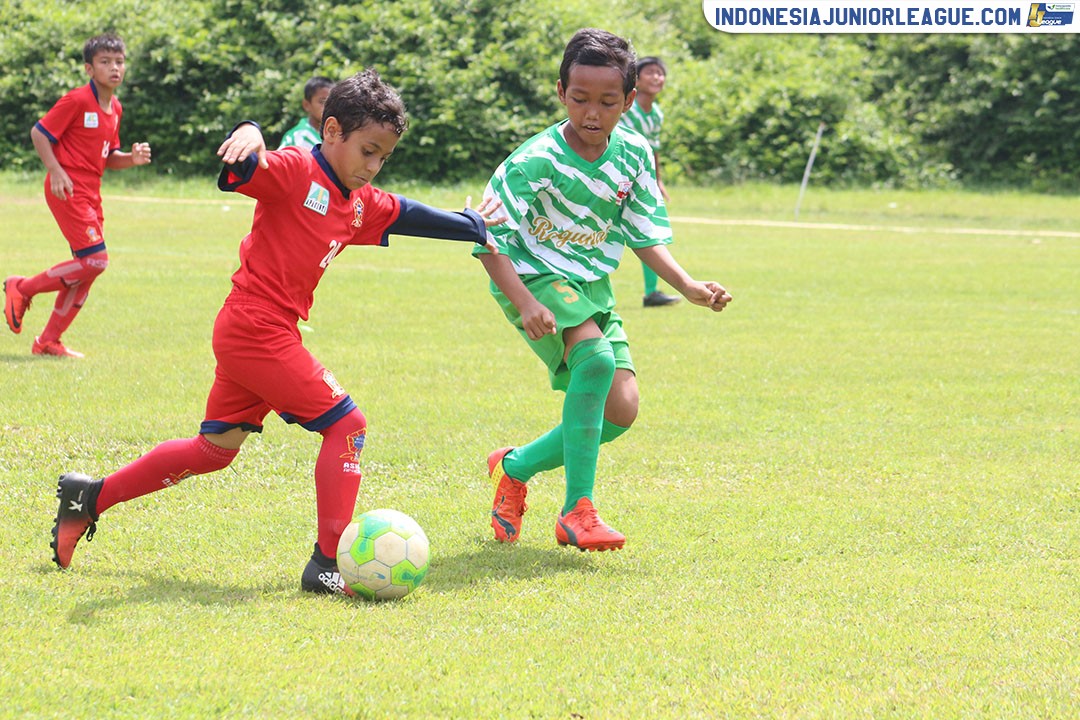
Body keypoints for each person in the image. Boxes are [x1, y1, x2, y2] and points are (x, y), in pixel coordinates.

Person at [49, 69, 503, 596]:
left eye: (384, 156)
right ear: (331, 130)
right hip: (254, 327)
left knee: (212, 451)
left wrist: (470, 224)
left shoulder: (356, 200)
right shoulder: (294, 171)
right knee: (347, 424)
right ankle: (326, 564)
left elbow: (404, 213)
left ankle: (89, 496)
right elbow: (244, 167)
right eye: (367, 151)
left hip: (261, 329)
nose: (374, 166)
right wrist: (249, 128)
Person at [474, 29, 732, 552]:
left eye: (608, 101)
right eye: (580, 99)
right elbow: (487, 240)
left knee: (621, 411)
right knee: (594, 360)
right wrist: (525, 302)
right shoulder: (534, 161)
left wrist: (686, 285)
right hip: (530, 274)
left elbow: (642, 233)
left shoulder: (633, 154)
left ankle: (515, 466)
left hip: (590, 283)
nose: (592, 113)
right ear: (560, 93)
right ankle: (577, 510)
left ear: (629, 101)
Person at [4, 33, 152, 358]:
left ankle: (47, 342)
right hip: (67, 188)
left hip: (91, 193)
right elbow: (39, 133)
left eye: (119, 61)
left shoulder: (115, 107)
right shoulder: (76, 101)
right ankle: (22, 287)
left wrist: (132, 158)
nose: (114, 68)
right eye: (105, 62)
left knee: (86, 268)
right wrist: (55, 170)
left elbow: (109, 156)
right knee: (95, 261)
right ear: (89, 68)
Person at [617, 55, 680, 308]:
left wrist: (657, 181)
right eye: (650, 72)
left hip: (640, 180)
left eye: (660, 72)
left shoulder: (656, 115)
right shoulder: (624, 107)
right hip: (615, 176)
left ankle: (652, 293)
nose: (657, 77)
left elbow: (653, 149)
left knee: (648, 232)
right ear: (637, 79)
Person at [279, 76, 333, 150]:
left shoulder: (333, 134)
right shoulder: (300, 137)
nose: (327, 107)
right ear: (306, 105)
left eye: (330, 102)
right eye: (322, 101)